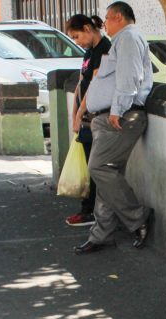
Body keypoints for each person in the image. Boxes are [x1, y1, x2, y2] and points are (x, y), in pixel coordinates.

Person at [73, 1, 153, 254]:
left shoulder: (128, 37)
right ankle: (102, 233)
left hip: (120, 116)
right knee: (106, 173)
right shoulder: (121, 40)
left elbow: (130, 77)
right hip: (108, 116)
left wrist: (117, 110)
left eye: (107, 18)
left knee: (99, 168)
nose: (104, 23)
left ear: (118, 16)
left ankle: (137, 216)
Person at [64, 14, 111, 227]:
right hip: (85, 117)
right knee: (88, 163)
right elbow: (81, 83)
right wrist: (75, 114)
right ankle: (87, 208)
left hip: (96, 115)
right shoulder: (89, 52)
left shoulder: (104, 49)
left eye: (77, 36)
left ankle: (91, 211)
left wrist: (80, 112)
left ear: (87, 28)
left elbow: (94, 85)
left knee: (95, 166)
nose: (77, 42)